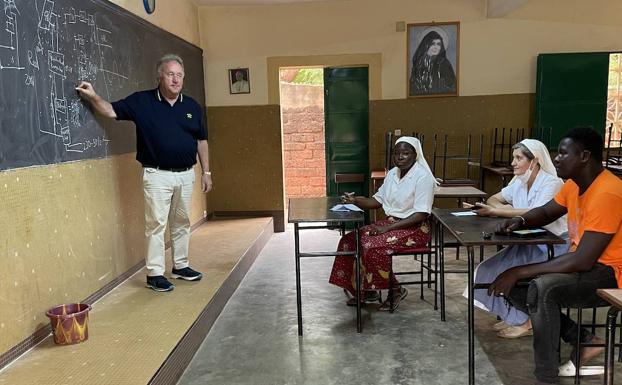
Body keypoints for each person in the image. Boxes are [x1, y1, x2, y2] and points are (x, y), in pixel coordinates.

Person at [488, 127, 622, 384]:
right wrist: (520, 220)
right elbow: (546, 212)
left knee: (542, 288)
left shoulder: (607, 192)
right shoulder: (574, 186)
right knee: (518, 288)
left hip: (611, 273)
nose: (556, 158)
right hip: (589, 266)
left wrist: (518, 270)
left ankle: (546, 377)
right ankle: (583, 339)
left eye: (562, 153)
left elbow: (582, 260)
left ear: (584, 156)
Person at [75, 54, 213, 292]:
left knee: (181, 222)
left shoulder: (192, 107)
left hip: (185, 174)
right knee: (156, 224)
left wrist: (206, 172)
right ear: (160, 76)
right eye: (170, 74)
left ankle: (180, 266)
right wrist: (93, 96)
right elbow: (110, 111)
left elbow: (202, 141)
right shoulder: (142, 102)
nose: (176, 80)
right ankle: (155, 274)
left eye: (179, 75)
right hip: (157, 175)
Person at [462, 139, 570, 339]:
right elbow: (494, 199)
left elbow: (538, 212)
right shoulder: (518, 181)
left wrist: (500, 212)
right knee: (485, 271)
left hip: (552, 246)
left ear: (534, 161)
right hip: (527, 242)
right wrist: (504, 210)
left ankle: (525, 322)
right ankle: (516, 316)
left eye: (518, 158)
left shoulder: (552, 183)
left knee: (507, 274)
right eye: (514, 157)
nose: (513, 162)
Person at [328, 136, 437, 311]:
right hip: (392, 224)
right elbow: (377, 200)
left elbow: (421, 214)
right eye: (397, 153)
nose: (400, 157)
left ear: (415, 155)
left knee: (371, 245)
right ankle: (365, 290)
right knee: (349, 240)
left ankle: (395, 290)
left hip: (415, 228)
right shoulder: (393, 173)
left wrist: (387, 228)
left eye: (406, 153)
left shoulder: (423, 177)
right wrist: (355, 200)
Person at [409, 30, 456, 95]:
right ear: (426, 45)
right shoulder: (419, 64)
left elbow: (452, 86)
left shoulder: (444, 63)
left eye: (438, 44)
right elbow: (412, 87)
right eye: (432, 44)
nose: (436, 47)